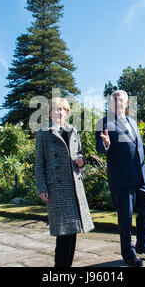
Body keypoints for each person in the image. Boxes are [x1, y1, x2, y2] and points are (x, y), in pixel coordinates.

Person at [95, 90, 145, 267]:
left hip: (140, 176)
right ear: (110, 103)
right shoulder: (103, 123)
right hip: (121, 179)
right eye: (115, 100)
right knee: (125, 218)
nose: (118, 103)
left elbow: (137, 145)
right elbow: (100, 148)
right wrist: (106, 144)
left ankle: (142, 244)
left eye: (122, 101)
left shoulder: (132, 122)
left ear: (127, 104)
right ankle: (128, 252)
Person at [35, 97, 95, 267]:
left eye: (63, 109)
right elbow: (39, 164)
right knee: (63, 234)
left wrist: (81, 161)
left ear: (67, 112)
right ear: (50, 112)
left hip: (74, 187)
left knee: (73, 231)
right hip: (57, 188)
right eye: (56, 109)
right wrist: (41, 187)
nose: (59, 112)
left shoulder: (73, 131)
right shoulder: (43, 133)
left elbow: (81, 154)